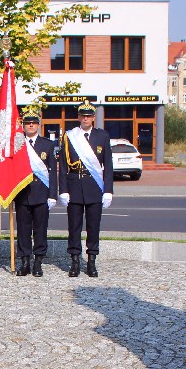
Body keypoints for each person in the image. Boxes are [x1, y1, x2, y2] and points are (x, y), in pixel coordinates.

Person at [59, 100, 113, 278]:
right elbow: (63, 166)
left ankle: (91, 261)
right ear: (78, 117)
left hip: (94, 186)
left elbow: (108, 166)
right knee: (74, 226)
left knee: (93, 226)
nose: (85, 119)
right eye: (83, 115)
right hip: (74, 184)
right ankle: (74, 261)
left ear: (93, 118)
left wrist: (108, 191)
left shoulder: (102, 136)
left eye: (88, 116)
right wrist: (63, 190)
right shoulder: (70, 136)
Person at [13, 114, 57, 277]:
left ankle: (38, 262)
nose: (30, 125)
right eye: (27, 123)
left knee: (40, 229)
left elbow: (52, 173)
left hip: (41, 193)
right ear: (23, 126)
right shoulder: (17, 144)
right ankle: (24, 262)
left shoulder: (47, 144)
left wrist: (53, 195)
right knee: (23, 230)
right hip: (22, 193)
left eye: (33, 123)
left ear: (39, 125)